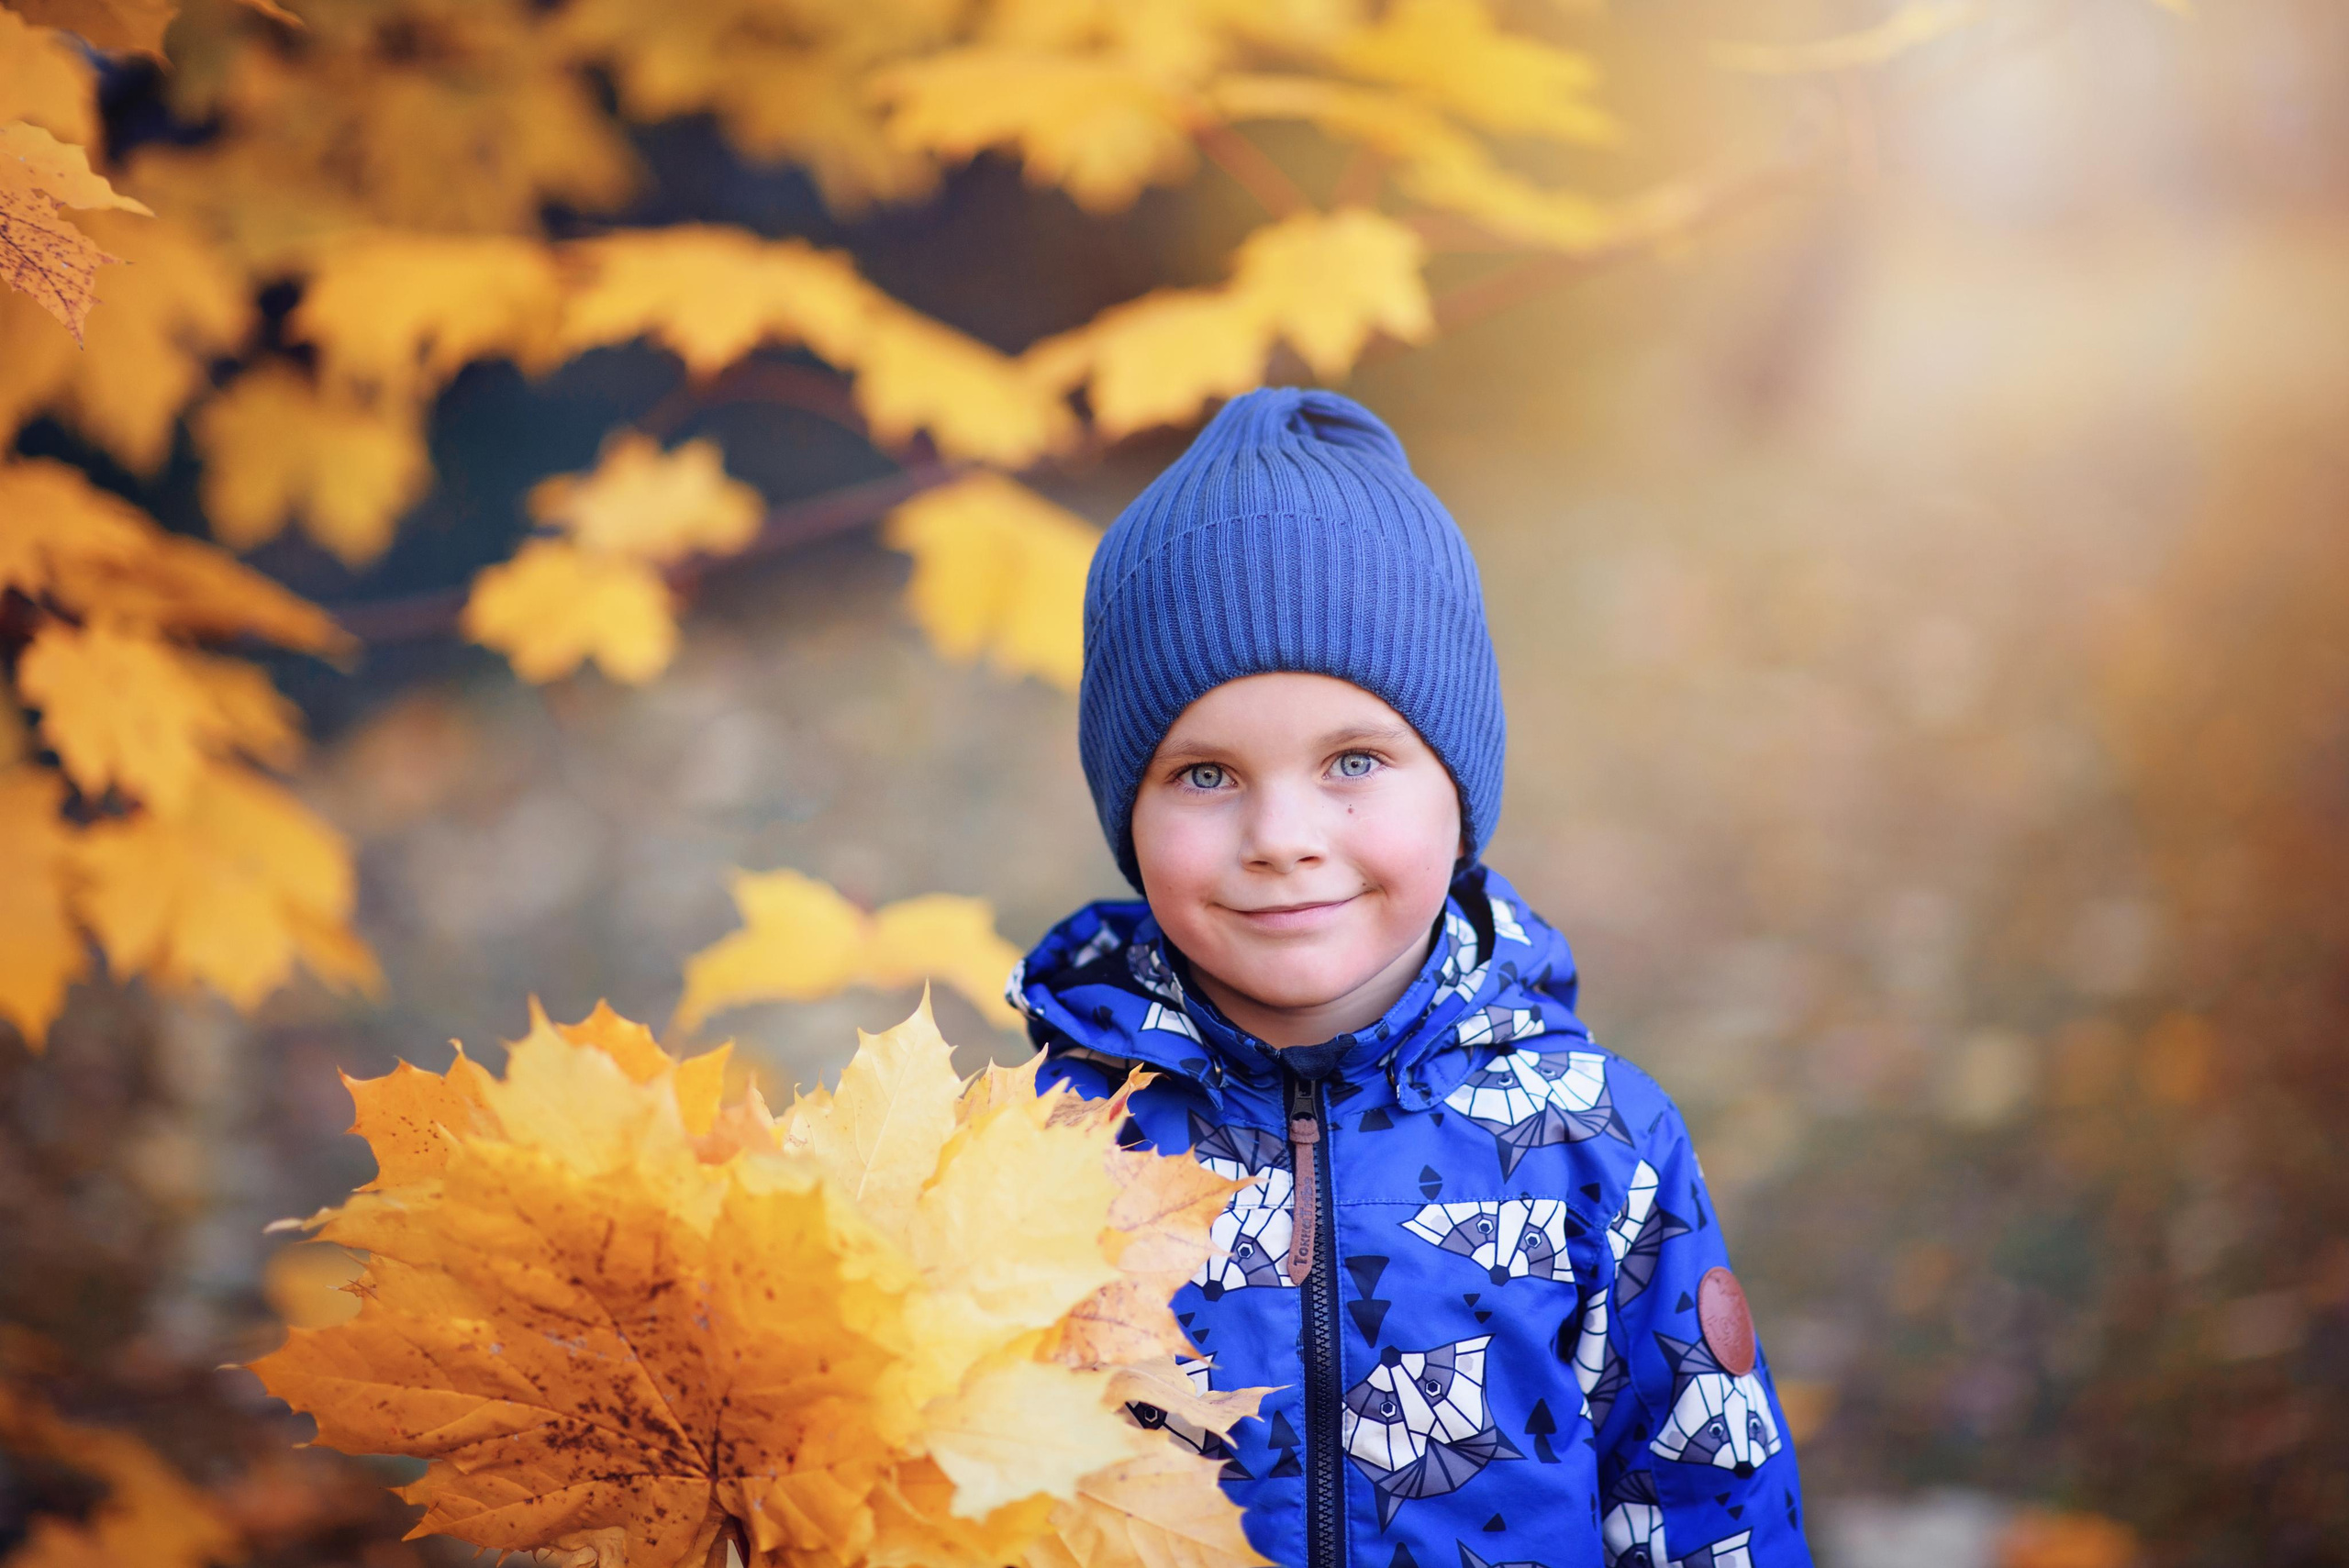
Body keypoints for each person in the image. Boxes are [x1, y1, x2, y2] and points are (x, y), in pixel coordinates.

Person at [1008, 387, 1810, 1568]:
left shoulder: (1594, 1140)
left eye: (1353, 759)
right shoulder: (1045, 1146)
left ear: (1459, 790)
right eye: (1205, 774)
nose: (1282, 832)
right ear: (1126, 806)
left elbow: (1704, 1500)